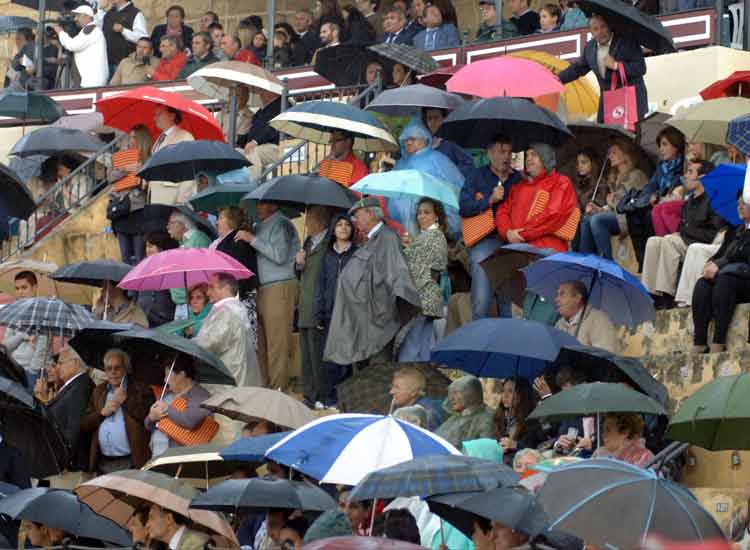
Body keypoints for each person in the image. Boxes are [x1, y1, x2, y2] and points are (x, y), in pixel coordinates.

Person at [324, 197, 421, 366]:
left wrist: (386, 315)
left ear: (370, 213)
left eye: (357, 217)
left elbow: (398, 278)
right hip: (364, 322)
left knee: (379, 370)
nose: (355, 222)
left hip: (379, 323)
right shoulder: (370, 240)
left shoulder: (387, 238)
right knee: (366, 371)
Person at [642, 160, 723, 309]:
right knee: (653, 241)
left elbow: (712, 234)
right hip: (684, 243)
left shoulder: (714, 201)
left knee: (669, 241)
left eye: (690, 172)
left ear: (703, 177)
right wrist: (679, 233)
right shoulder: (689, 202)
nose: (685, 175)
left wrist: (682, 233)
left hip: (701, 247)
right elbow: (681, 227)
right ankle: (650, 293)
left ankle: (666, 293)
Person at [235, 202, 299, 391]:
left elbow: (279, 255)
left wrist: (252, 239)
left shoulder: (282, 224)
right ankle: (266, 389)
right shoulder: (259, 226)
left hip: (279, 286)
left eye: (261, 204)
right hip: (262, 288)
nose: (257, 208)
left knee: (277, 344)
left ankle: (279, 390)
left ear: (273, 204)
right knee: (262, 344)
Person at [460, 134, 522, 320]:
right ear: (489, 153)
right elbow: (464, 206)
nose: (506, 157)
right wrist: (489, 199)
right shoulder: (477, 176)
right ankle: (479, 343)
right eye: (501, 151)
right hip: (485, 240)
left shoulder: (517, 179)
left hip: (512, 242)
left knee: (509, 305)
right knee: (481, 301)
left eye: (509, 152)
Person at [559, 14, 647, 124]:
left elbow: (641, 68)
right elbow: (577, 69)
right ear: (591, 32)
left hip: (632, 99)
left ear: (610, 26)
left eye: (603, 27)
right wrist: (557, 79)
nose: (600, 31)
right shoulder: (590, 48)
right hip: (608, 100)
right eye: (596, 29)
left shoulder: (626, 41)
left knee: (632, 135)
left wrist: (616, 65)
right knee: (605, 134)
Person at [692, 195, 750, 354]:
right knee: (702, 284)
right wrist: (711, 264)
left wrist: (720, 265)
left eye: (744, 203)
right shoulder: (736, 230)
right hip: (730, 277)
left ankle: (719, 340)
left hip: (744, 280)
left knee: (725, 280)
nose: (740, 206)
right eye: (738, 203)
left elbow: (743, 255)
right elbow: (721, 253)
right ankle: (700, 342)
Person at [495, 143, 578, 253]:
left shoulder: (561, 182)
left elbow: (554, 215)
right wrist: (507, 232)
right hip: (516, 248)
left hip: (546, 249)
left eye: (534, 155)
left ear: (545, 158)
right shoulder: (518, 187)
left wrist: (521, 234)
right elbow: (502, 211)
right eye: (527, 155)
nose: (528, 159)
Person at [80, 349, 153, 473]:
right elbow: (84, 424)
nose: (113, 372)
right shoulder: (99, 391)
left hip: (131, 461)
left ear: (126, 369)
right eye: (109, 368)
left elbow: (146, 418)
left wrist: (125, 401)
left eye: (117, 368)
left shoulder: (140, 389)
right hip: (103, 462)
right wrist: (102, 413)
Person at [392, 117, 464, 239]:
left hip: (432, 222)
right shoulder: (401, 164)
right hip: (404, 228)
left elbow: (456, 187)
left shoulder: (437, 159)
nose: (408, 142)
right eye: (406, 139)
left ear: (425, 139)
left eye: (413, 139)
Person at [577, 140, 648, 259]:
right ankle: (586, 262)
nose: (609, 156)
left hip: (630, 218)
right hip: (617, 216)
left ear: (625, 155)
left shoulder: (636, 175)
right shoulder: (614, 177)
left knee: (597, 220)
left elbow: (632, 203)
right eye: (609, 153)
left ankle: (606, 263)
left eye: (614, 152)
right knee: (586, 218)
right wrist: (599, 209)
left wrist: (612, 203)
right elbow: (611, 206)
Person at [399, 198, 448, 362]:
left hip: (422, 297)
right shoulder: (429, 236)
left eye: (426, 212)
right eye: (419, 213)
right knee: (423, 346)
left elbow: (417, 267)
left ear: (436, 216)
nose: (421, 216)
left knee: (411, 348)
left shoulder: (433, 236)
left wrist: (406, 249)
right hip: (428, 298)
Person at [314, 215, 357, 403]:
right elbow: (320, 286)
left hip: (350, 312)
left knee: (347, 359)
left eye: (347, 224)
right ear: (333, 229)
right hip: (330, 312)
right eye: (339, 224)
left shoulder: (357, 253)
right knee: (331, 358)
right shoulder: (327, 256)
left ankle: (345, 399)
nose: (343, 228)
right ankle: (331, 398)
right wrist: (319, 313)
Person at [196, 273, 262, 386]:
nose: (208, 293)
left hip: (229, 381)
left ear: (226, 288)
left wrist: (187, 344)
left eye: (211, 287)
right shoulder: (236, 307)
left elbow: (211, 343)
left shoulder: (227, 312)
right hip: (237, 376)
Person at [295, 206, 332, 407]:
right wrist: (298, 264)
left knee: (318, 354)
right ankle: (309, 394)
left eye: (308, 219)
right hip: (304, 305)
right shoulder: (308, 242)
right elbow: (300, 273)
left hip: (318, 307)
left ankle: (320, 395)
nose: (306, 224)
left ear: (318, 221)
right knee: (306, 354)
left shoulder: (328, 243)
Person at [145, 356, 213, 456]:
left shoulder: (199, 395)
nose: (165, 380)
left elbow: (190, 421)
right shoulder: (168, 395)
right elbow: (148, 425)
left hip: (180, 457)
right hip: (158, 455)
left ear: (181, 374)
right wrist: (152, 417)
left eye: (167, 375)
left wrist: (167, 409)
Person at [211, 206, 259, 342]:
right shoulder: (228, 241)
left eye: (220, 218)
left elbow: (238, 277)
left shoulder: (236, 241)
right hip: (237, 300)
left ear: (230, 221)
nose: (217, 222)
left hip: (239, 301)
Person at [45, 347, 95, 473]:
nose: (57, 367)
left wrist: (64, 460)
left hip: (71, 464)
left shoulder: (81, 387)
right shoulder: (73, 385)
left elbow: (74, 428)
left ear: (76, 363)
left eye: (61, 363)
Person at [2, 271, 50, 388]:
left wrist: (32, 371)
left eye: (24, 287)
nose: (20, 292)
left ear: (35, 287)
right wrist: (22, 336)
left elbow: (42, 348)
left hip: (33, 371)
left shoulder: (44, 311)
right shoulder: (14, 312)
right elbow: (6, 346)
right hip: (13, 369)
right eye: (17, 288)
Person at [167, 211, 212, 319]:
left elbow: (201, 273)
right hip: (183, 303)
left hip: (194, 303)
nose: (167, 227)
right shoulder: (185, 242)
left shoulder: (198, 238)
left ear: (181, 224)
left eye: (170, 223)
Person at [147, 107, 196, 206]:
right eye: (155, 115)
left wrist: (181, 202)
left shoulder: (185, 137)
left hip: (173, 201)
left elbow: (189, 173)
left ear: (172, 116)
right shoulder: (160, 138)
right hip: (156, 199)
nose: (155, 118)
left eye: (159, 114)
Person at [554, 280, 619, 352]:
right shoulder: (559, 324)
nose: (556, 299)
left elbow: (606, 355)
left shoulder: (599, 320)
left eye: (562, 294)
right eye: (557, 295)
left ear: (577, 298)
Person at [492, 378, 545, 464]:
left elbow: (539, 447)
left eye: (510, 391)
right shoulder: (499, 418)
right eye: (503, 390)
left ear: (522, 395)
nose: (505, 395)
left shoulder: (532, 420)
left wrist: (516, 445)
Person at [55, 5, 109, 87]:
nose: (75, 19)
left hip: (92, 81)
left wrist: (60, 32)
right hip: (91, 80)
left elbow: (72, 45)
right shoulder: (89, 30)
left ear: (87, 16)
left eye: (78, 16)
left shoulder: (90, 30)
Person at [648, 127, 687, 237]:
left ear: (676, 146)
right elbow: (651, 185)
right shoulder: (661, 166)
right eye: (660, 145)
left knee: (652, 214)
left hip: (675, 203)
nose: (661, 149)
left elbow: (677, 188)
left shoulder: (684, 165)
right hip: (659, 202)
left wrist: (658, 195)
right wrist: (653, 194)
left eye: (665, 144)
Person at [436, 375, 495, 448]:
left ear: (472, 393)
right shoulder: (455, 418)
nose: (451, 398)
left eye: (456, 392)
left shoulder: (486, 417)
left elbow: (485, 450)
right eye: (451, 393)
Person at [95, 0, 148, 76]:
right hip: (106, 62)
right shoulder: (109, 12)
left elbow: (142, 38)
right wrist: (101, 9)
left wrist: (123, 30)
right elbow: (96, 27)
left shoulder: (135, 13)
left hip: (124, 63)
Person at [137, 231, 179, 327]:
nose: (147, 250)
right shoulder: (142, 267)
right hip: (142, 318)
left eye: (151, 246)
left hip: (164, 319)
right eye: (146, 246)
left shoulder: (171, 268)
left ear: (162, 247)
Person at [241, 89, 283, 180]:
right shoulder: (261, 110)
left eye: (263, 90)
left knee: (253, 152)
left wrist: (255, 142)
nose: (260, 93)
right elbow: (252, 132)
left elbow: (274, 127)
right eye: (260, 90)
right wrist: (236, 140)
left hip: (276, 147)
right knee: (236, 152)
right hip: (259, 146)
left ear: (273, 91)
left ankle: (252, 184)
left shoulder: (282, 105)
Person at [423, 108, 474, 179]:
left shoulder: (454, 139)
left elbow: (468, 163)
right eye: (429, 118)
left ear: (444, 119)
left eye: (436, 118)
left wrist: (450, 175)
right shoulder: (425, 141)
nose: (432, 122)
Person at [389, 366, 444, 430]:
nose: (391, 392)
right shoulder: (404, 407)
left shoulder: (425, 414)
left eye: (397, 387)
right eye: (392, 387)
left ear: (413, 392)